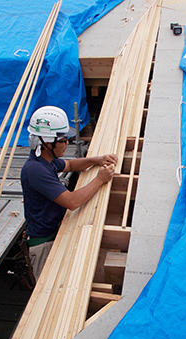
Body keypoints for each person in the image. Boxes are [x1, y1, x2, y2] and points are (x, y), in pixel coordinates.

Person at [21, 106, 117, 280]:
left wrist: (97, 159)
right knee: (48, 293)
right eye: (64, 140)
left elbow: (71, 165)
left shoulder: (46, 160)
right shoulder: (36, 170)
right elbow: (72, 202)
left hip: (55, 231)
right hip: (44, 244)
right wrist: (99, 179)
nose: (68, 144)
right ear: (47, 143)